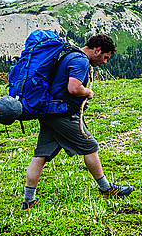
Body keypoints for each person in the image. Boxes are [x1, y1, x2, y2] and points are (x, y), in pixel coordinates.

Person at [21, 33, 133, 209]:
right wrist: (88, 93)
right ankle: (106, 189)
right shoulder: (80, 60)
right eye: (105, 57)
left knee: (41, 155)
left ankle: (29, 200)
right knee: (90, 146)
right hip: (60, 114)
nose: (105, 62)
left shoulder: (69, 55)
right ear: (97, 50)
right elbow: (73, 88)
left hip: (48, 112)